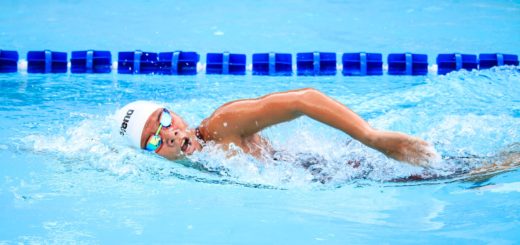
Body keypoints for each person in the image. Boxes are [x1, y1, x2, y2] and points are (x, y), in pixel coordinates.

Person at [115, 88, 438, 166]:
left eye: (165, 121)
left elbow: (304, 99)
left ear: (178, 117)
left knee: (455, 171)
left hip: (337, 170)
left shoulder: (221, 125)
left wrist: (372, 138)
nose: (168, 134)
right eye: (153, 140)